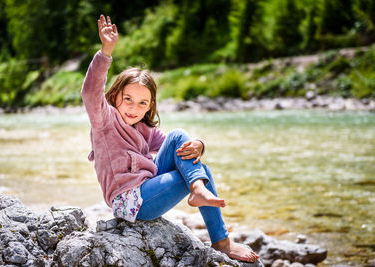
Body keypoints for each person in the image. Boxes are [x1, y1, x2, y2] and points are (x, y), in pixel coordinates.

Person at [81, 14, 260, 263]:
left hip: (148, 188)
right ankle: (220, 239)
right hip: (131, 202)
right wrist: (106, 52)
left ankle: (199, 190)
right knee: (198, 172)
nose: (133, 107)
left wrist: (199, 144)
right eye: (128, 99)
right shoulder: (105, 121)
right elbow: (90, 91)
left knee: (179, 138)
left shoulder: (144, 128)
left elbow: (177, 146)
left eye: (142, 102)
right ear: (115, 95)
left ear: (149, 106)